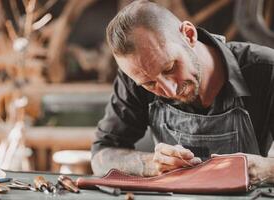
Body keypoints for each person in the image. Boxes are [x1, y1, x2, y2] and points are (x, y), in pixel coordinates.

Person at [91, 0, 274, 184]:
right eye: (150, 84)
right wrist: (151, 165)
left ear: (189, 34)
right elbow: (102, 155)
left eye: (170, 68)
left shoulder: (267, 69)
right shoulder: (136, 76)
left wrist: (259, 169)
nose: (169, 90)